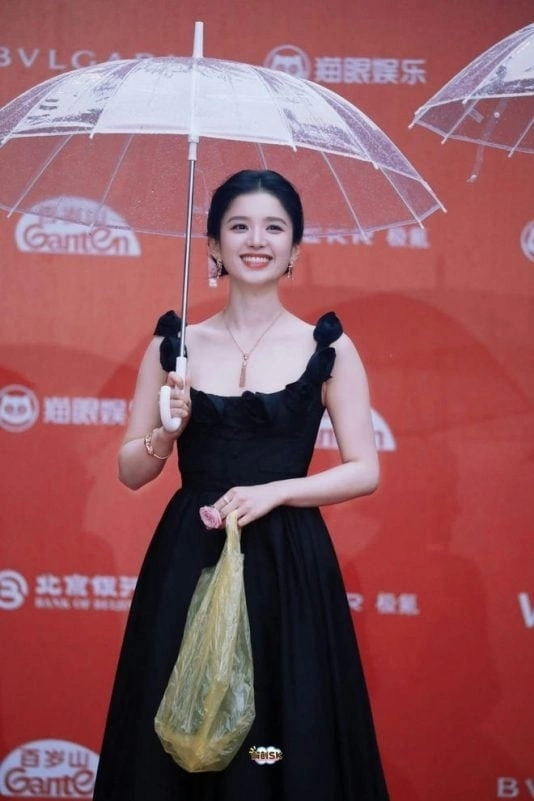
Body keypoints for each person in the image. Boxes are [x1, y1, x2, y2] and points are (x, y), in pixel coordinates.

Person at [92, 169, 389, 800]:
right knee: (180, 733)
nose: (257, 240)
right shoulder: (175, 348)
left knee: (276, 740)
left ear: (296, 250)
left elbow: (365, 469)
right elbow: (131, 471)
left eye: (274, 227)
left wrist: (277, 491)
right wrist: (166, 436)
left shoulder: (328, 348)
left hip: (288, 567)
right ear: (213, 247)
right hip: (190, 560)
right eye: (240, 226)